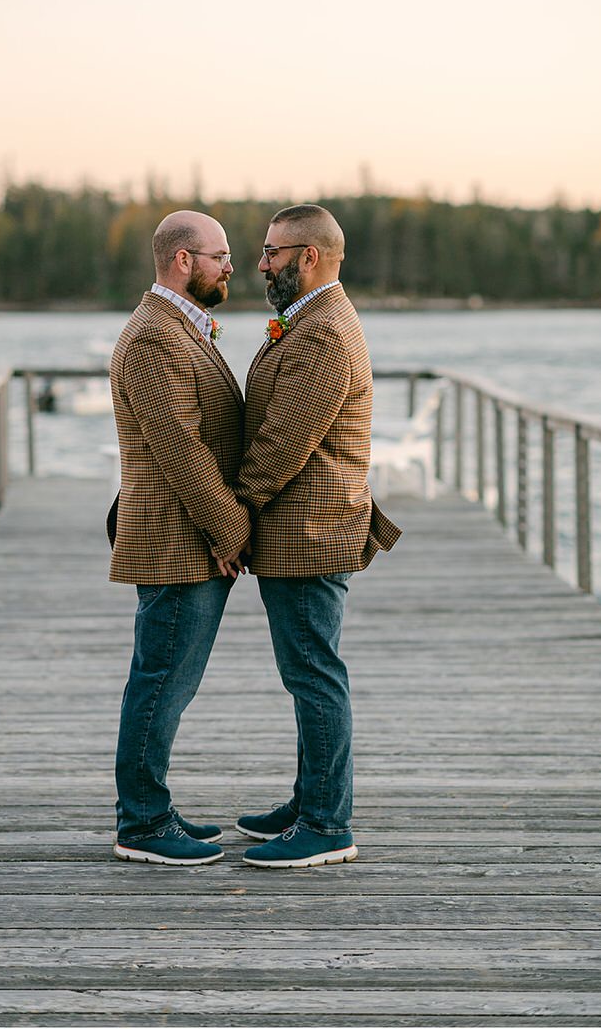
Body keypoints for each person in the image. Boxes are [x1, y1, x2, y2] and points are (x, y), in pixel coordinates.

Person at [230, 204, 402, 868]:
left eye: (272, 251)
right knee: (308, 671)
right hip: (299, 529)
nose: (261, 262)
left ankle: (327, 824)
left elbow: (281, 444)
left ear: (308, 256)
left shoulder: (324, 331)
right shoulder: (306, 320)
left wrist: (231, 517)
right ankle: (309, 799)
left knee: (314, 674)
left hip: (309, 531)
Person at [108, 210, 250, 866]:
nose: (231, 265)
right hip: (176, 537)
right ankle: (140, 823)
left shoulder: (180, 328)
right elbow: (179, 451)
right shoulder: (152, 339)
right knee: (161, 680)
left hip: (187, 536)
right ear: (182, 261)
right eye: (219, 255)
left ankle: (152, 807)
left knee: (172, 679)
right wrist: (231, 531)